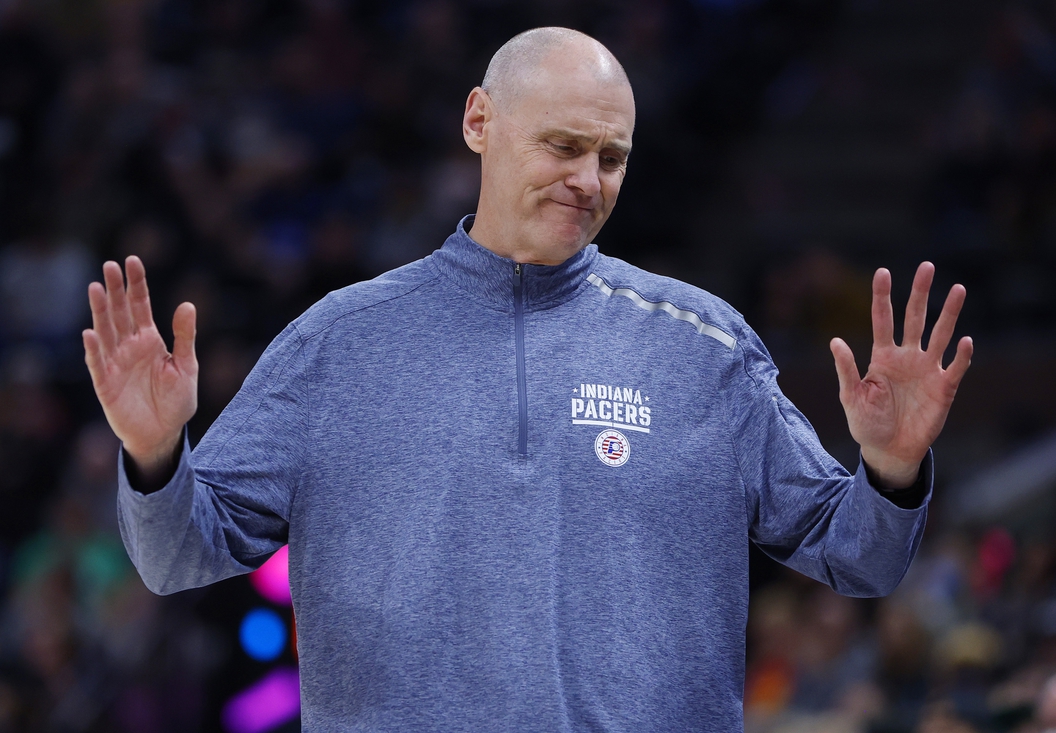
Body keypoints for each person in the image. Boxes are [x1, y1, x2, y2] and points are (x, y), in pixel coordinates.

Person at [83, 27, 973, 732]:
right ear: (479, 121)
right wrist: (156, 456)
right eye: (562, 144)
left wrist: (891, 473)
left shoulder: (706, 347)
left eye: (612, 157)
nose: (587, 180)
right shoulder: (336, 345)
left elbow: (857, 555)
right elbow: (175, 558)